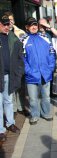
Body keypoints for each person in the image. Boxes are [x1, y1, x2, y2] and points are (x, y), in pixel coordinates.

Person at [21, 17, 55, 125]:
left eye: (35, 24)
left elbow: (51, 54)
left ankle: (45, 113)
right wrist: (28, 71)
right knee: (33, 99)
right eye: (31, 25)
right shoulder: (23, 40)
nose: (34, 27)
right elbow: (22, 59)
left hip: (45, 73)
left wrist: (50, 68)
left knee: (46, 96)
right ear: (27, 27)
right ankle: (35, 115)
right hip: (31, 75)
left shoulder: (45, 37)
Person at [0, 12, 24, 141]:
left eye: (8, 24)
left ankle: (10, 123)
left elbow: (20, 57)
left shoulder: (13, 38)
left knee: (8, 101)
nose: (6, 27)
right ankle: (0, 130)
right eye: (4, 25)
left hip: (9, 76)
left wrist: (19, 72)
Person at [4, 11, 28, 117]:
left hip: (19, 64)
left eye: (11, 19)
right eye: (8, 20)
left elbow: (27, 47)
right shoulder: (3, 33)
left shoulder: (20, 32)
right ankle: (13, 110)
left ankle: (21, 107)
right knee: (10, 89)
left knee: (21, 88)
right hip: (8, 65)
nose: (10, 22)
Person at [39, 18, 57, 98]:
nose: (41, 26)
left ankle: (50, 92)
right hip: (41, 59)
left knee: (50, 76)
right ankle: (42, 93)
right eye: (40, 24)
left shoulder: (49, 33)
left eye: (43, 24)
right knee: (41, 76)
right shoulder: (36, 33)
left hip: (50, 59)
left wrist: (48, 26)